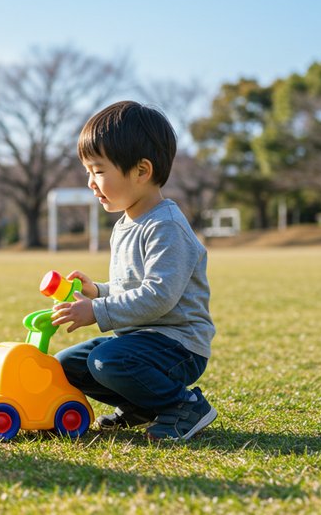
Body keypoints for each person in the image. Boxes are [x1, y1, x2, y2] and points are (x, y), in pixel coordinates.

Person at [50, 100, 216, 442]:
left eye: (98, 170)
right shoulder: (126, 223)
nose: (90, 183)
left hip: (178, 344)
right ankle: (142, 405)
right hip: (140, 341)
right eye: (88, 172)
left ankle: (185, 405)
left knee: (107, 361)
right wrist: (98, 290)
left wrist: (96, 310)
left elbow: (157, 296)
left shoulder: (166, 226)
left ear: (141, 171)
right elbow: (131, 286)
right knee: (68, 365)